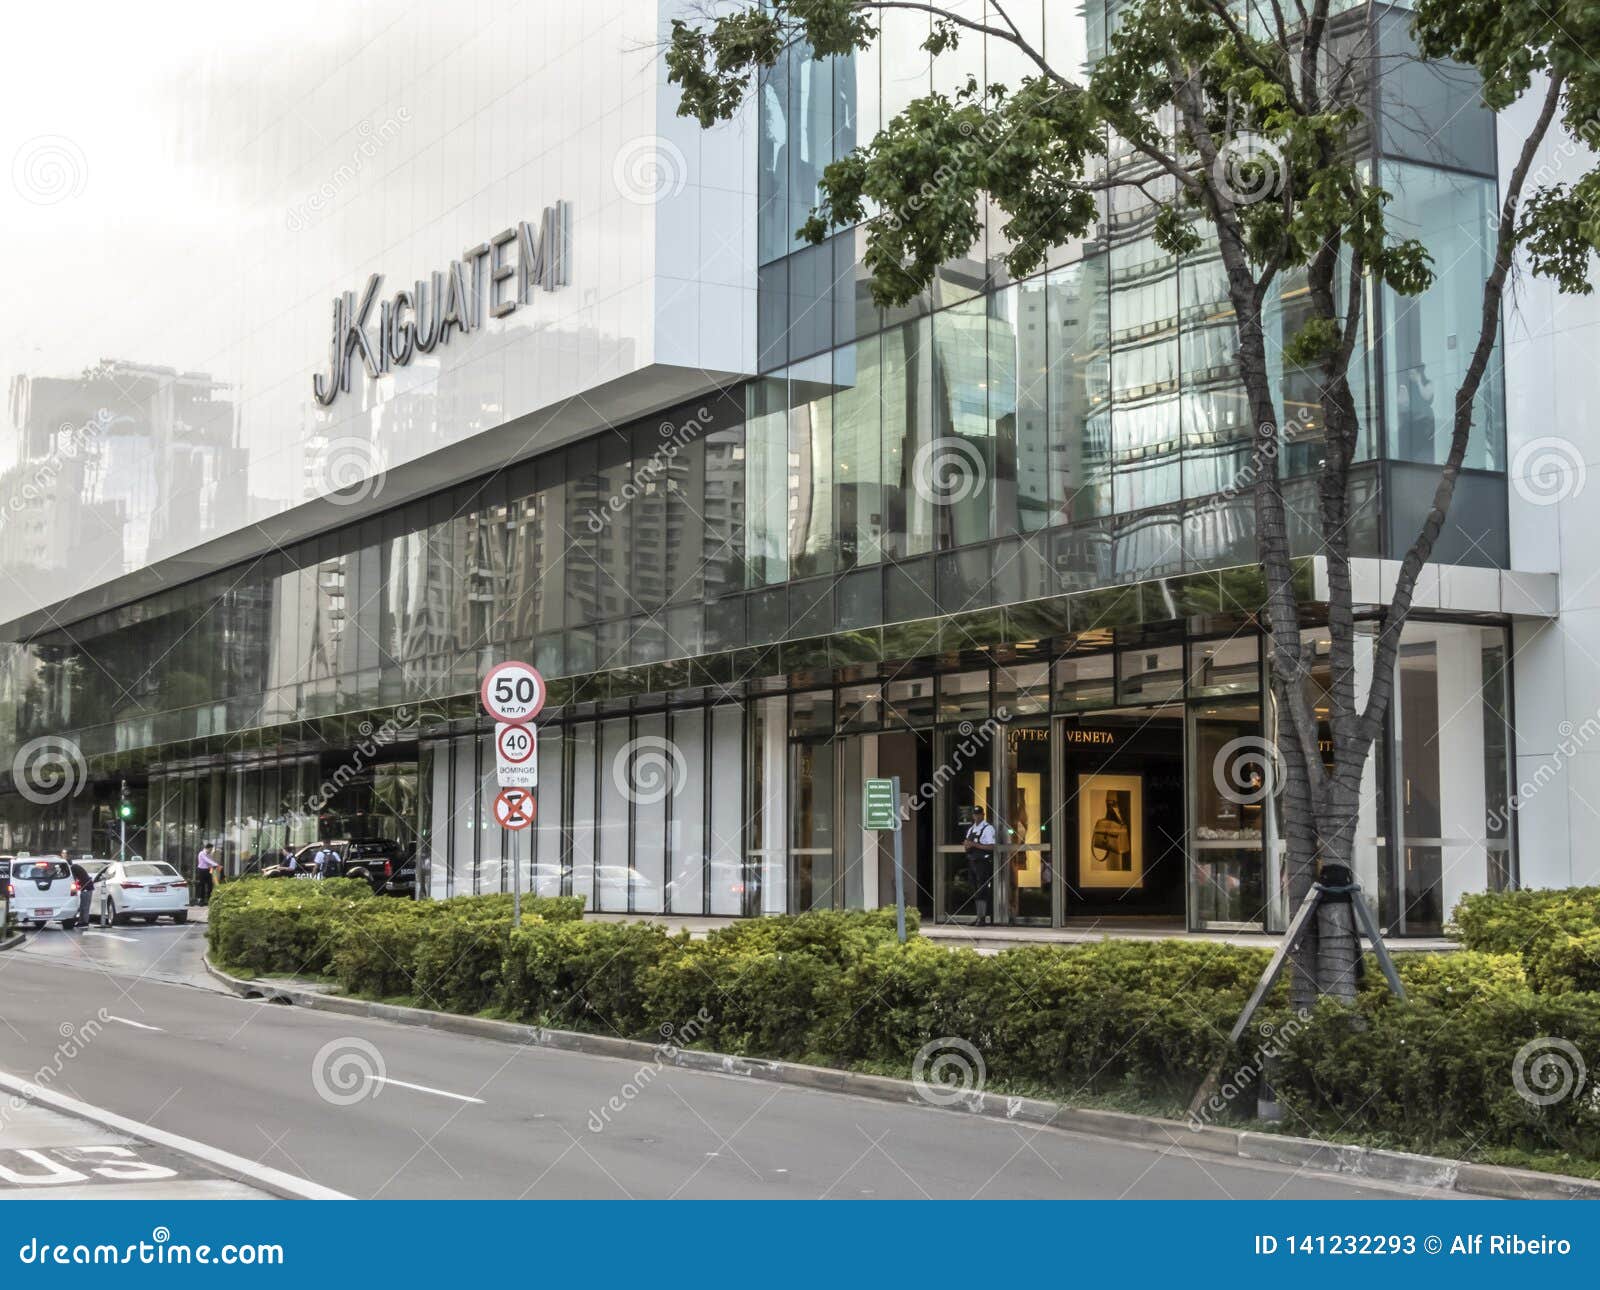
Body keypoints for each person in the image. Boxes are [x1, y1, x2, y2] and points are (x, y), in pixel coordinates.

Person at [962, 804, 997, 926]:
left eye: (979, 814)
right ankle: (978, 916)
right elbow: (967, 843)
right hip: (972, 862)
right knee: (975, 889)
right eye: (975, 815)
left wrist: (974, 845)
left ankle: (983, 918)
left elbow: (991, 846)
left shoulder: (988, 828)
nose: (976, 817)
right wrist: (967, 845)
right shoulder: (971, 829)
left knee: (982, 890)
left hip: (983, 862)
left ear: (983, 815)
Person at [68, 858, 94, 928]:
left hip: (87, 887)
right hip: (86, 886)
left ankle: (85, 922)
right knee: (83, 905)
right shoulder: (75, 867)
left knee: (85, 905)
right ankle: (81, 921)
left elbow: (73, 879)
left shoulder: (72, 868)